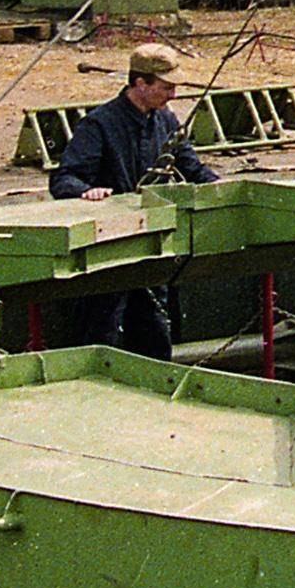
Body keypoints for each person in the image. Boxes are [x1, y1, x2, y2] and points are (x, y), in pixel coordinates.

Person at [48, 44, 218, 355]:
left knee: (155, 332)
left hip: (153, 248)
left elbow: (191, 168)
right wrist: (86, 191)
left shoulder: (166, 122)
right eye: (166, 87)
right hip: (109, 254)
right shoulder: (99, 125)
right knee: (103, 331)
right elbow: (63, 179)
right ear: (141, 84)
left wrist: (221, 190)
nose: (173, 95)